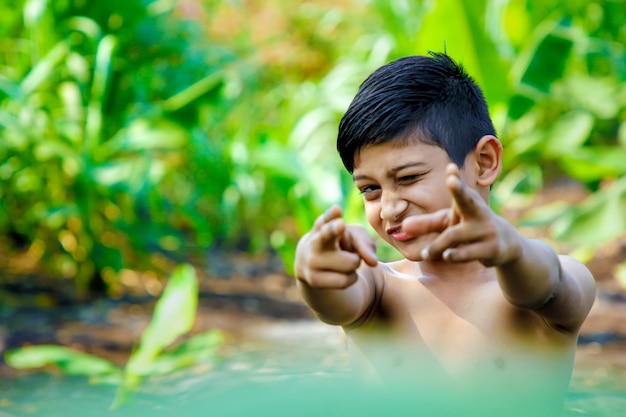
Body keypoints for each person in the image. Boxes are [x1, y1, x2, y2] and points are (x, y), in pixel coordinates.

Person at [293, 52, 596, 416]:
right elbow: (335, 298)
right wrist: (313, 271)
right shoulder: (378, 291)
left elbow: (547, 285)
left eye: (408, 178)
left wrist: (513, 252)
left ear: (483, 162)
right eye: (370, 189)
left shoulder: (553, 284)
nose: (389, 208)